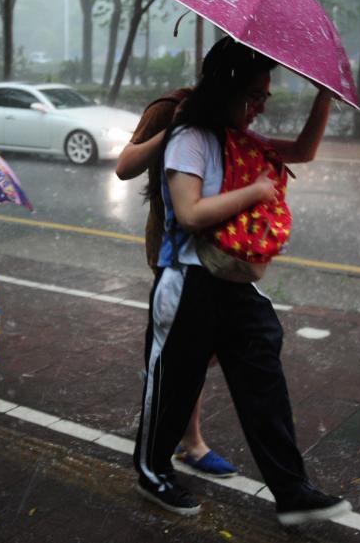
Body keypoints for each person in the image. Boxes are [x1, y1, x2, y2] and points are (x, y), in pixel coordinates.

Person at [132, 37, 351, 526]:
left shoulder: (241, 140)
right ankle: (151, 470)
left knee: (262, 376)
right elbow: (189, 213)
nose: (259, 107)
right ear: (227, 88)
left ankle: (291, 490)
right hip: (187, 281)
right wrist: (254, 190)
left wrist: (322, 97)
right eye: (254, 96)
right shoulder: (190, 137)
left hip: (234, 282)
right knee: (175, 385)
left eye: (265, 98)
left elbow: (303, 150)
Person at [117, 88, 238, 478]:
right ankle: (176, 446)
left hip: (219, 251)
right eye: (253, 93)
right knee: (181, 351)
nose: (259, 104)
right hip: (174, 252)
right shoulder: (169, 107)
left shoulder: (235, 111)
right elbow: (125, 166)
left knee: (200, 349)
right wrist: (173, 127)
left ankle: (179, 440)